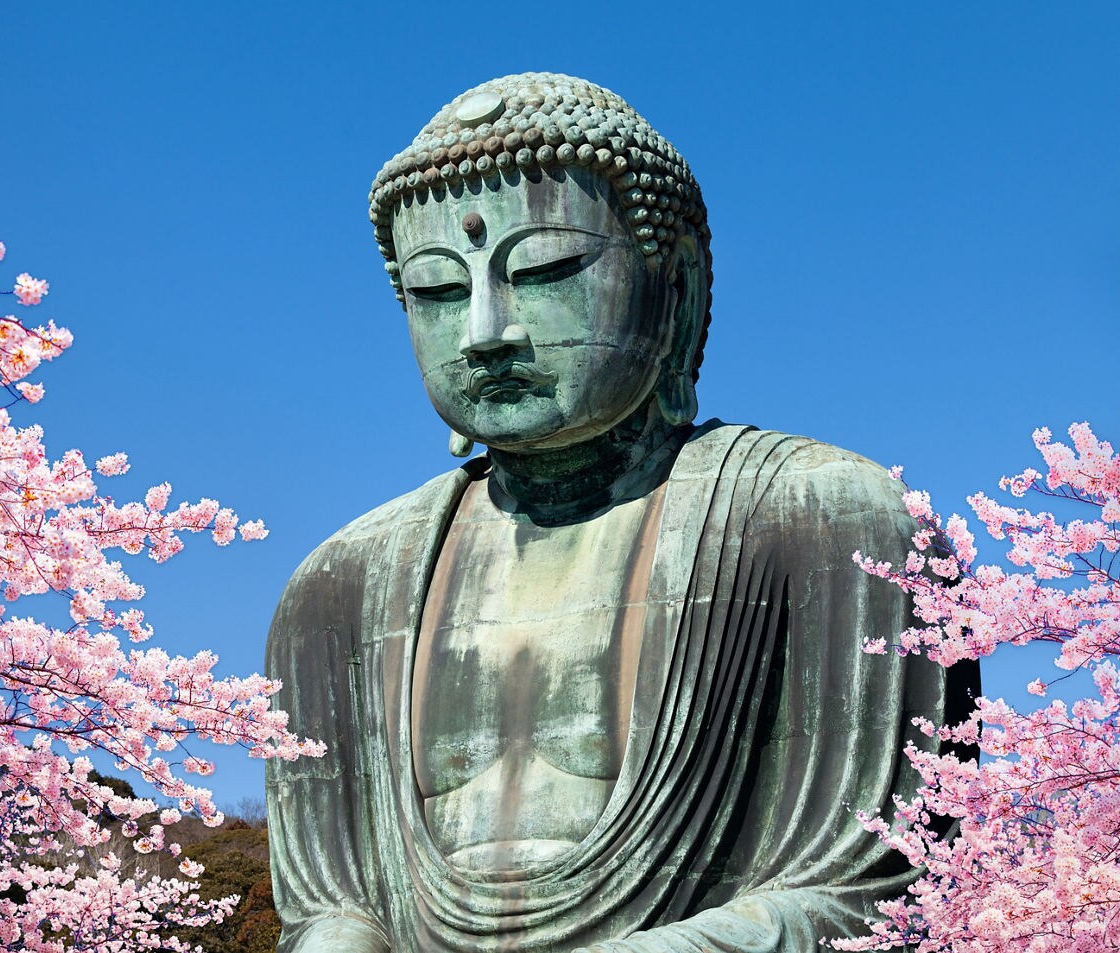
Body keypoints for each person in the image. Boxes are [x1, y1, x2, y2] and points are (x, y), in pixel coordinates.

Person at [266, 72, 974, 953]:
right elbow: (327, 908)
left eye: (546, 270)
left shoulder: (833, 525)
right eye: (439, 290)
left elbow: (884, 893)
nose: (486, 331)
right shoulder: (337, 590)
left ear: (673, 288)